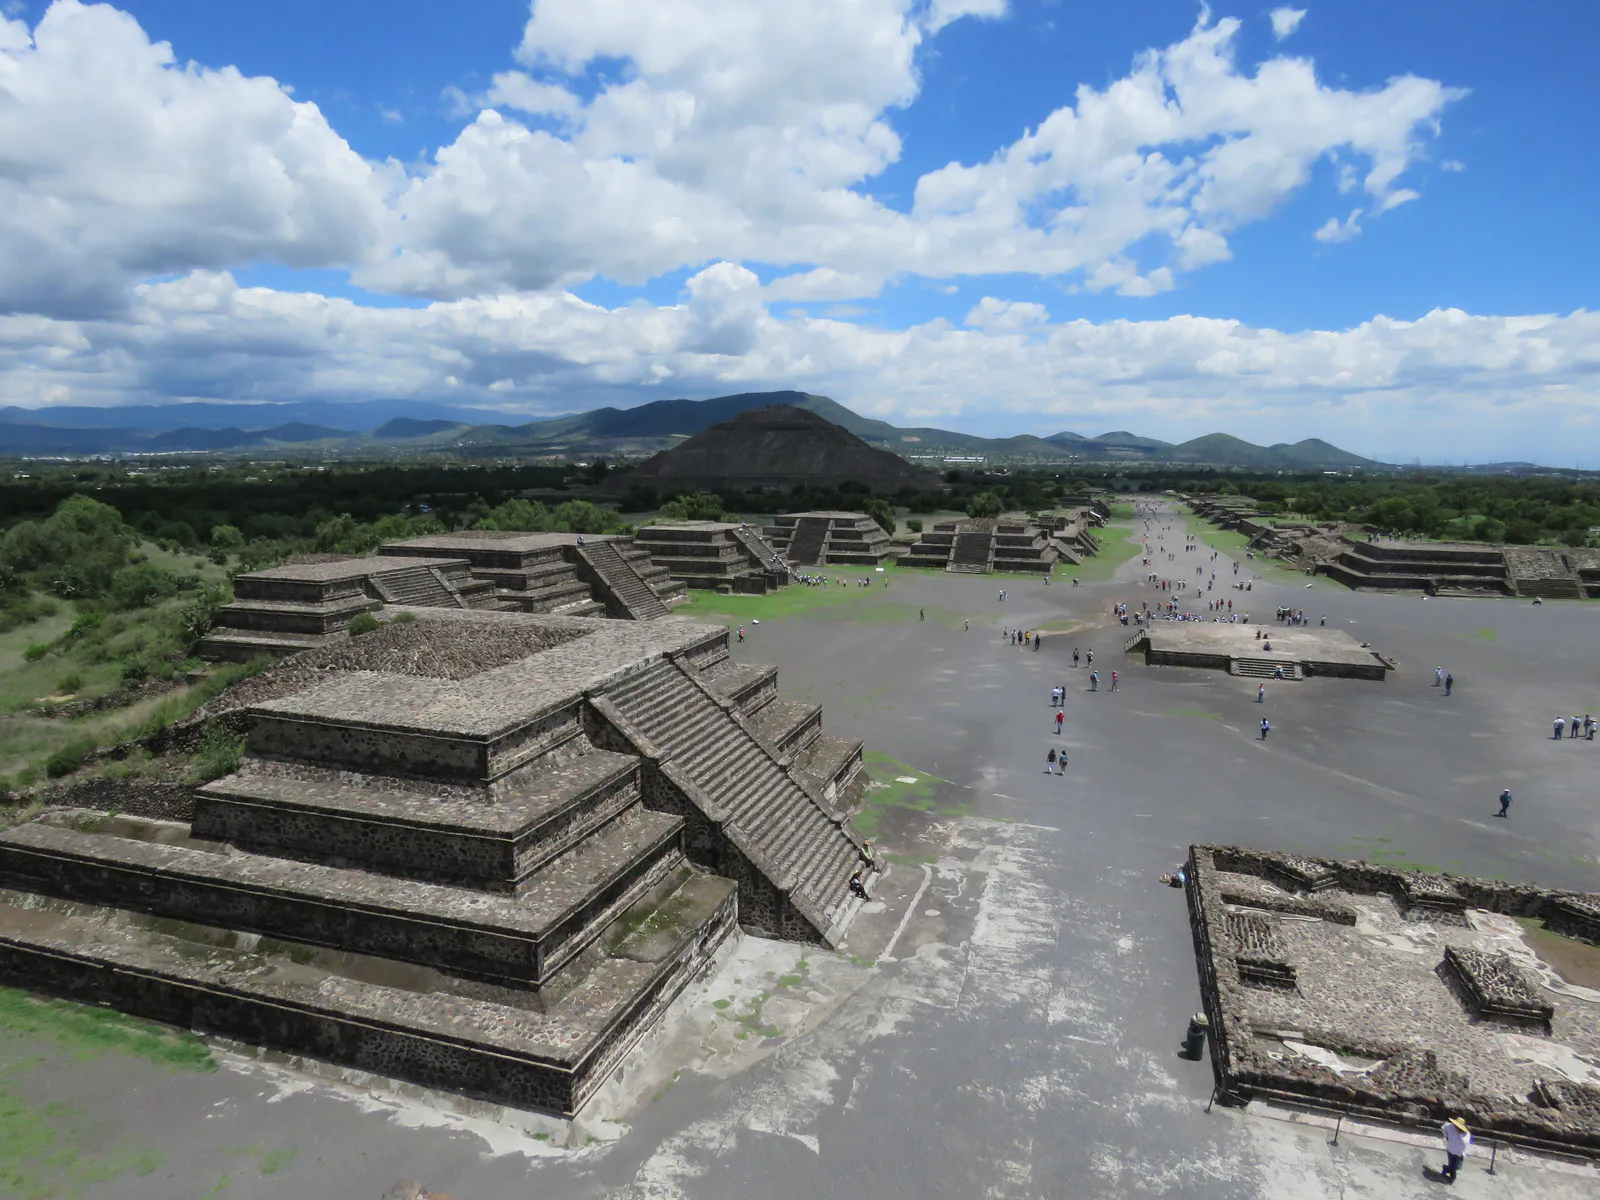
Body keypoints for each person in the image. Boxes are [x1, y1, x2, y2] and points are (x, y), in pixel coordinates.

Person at [1440, 1116, 1471, 1183]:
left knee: (1457, 1166)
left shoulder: (1466, 1134)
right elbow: (1443, 1128)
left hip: (1459, 1153)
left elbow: (1465, 1142)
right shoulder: (1450, 1126)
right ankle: (1452, 1176)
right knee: (1452, 1165)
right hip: (1450, 1150)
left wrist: (1460, 1134)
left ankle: (1445, 1169)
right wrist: (1446, 1136)